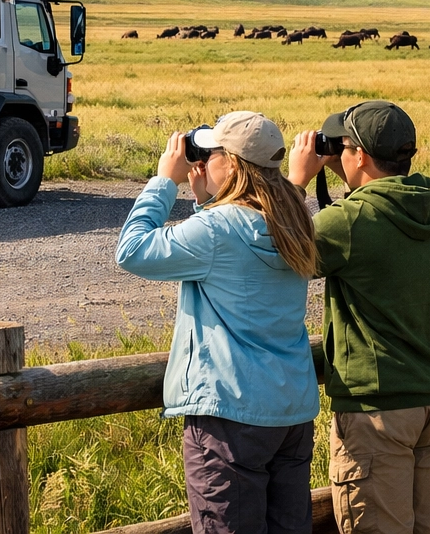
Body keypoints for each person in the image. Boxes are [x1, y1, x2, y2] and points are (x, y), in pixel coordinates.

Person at [116, 111, 321, 534]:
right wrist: (207, 201)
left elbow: (133, 250)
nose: (203, 160)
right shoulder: (293, 219)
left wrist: (163, 183)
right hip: (291, 412)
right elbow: (239, 255)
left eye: (210, 154)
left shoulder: (216, 229)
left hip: (231, 415)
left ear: (233, 164)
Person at [287, 100, 430, 534]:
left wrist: (298, 179)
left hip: (378, 408)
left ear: (359, 155)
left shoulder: (350, 221)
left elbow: (283, 251)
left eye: (342, 148)